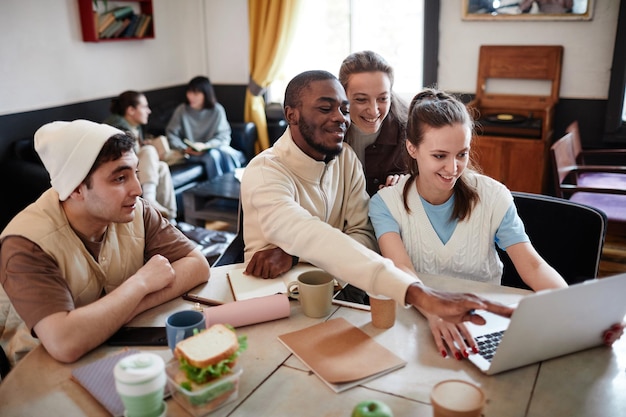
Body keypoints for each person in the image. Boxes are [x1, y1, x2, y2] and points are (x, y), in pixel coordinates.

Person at [240, 70, 514, 328]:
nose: (341, 118)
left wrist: (296, 255)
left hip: (338, 294)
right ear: (292, 115)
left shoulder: (346, 160)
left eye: (344, 110)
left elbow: (364, 234)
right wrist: (418, 293)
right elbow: (304, 232)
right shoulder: (265, 172)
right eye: (325, 108)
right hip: (272, 302)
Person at [369, 88, 624, 359]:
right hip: (418, 322)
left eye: (462, 154)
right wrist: (435, 310)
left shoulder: (492, 196)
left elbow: (532, 265)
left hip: (485, 325)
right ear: (412, 148)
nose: (453, 168)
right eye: (440, 155)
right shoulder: (385, 203)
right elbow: (402, 268)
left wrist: (580, 316)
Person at [0, 120, 210, 365]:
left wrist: (120, 311)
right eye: (120, 178)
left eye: (136, 174)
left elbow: (197, 265)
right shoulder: (25, 243)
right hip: (38, 369)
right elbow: (64, 343)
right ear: (76, 188)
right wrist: (141, 283)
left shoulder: (136, 212)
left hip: (114, 346)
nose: (138, 189)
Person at [338, 50, 408, 196]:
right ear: (342, 95)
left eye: (383, 99)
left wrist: (409, 183)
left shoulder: (410, 127)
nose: (373, 111)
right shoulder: (326, 127)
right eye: (361, 99)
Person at [104, 90, 177, 220]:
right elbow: (123, 157)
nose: (149, 111)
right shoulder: (117, 126)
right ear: (131, 110)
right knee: (149, 150)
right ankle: (150, 199)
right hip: (119, 172)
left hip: (133, 169)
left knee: (162, 167)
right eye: (144, 107)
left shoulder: (135, 126)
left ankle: (170, 220)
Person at [166, 76, 245, 179]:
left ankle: (231, 186)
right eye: (189, 92)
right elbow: (171, 133)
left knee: (219, 153)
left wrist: (206, 146)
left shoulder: (217, 110)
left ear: (206, 94)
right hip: (191, 153)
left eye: (196, 93)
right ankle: (220, 190)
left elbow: (224, 136)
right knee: (214, 155)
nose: (191, 96)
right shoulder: (182, 110)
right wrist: (184, 148)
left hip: (212, 149)